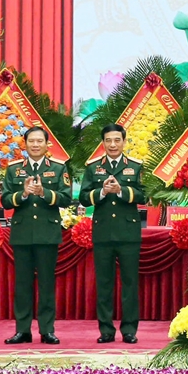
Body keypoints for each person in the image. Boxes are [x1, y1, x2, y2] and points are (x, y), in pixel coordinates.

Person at [1, 127, 72, 345]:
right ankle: (22, 330)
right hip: (22, 233)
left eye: (39, 141)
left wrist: (44, 193)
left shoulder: (58, 168)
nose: (35, 145)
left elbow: (66, 198)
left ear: (46, 144)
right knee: (22, 284)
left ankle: (47, 330)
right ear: (25, 144)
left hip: (47, 233)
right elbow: (5, 200)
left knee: (46, 284)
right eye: (31, 141)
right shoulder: (14, 169)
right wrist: (23, 194)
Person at [79, 124, 145, 344]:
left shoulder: (135, 166)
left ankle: (129, 330)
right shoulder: (93, 167)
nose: (113, 144)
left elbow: (144, 195)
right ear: (103, 143)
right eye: (108, 140)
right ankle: (106, 330)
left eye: (117, 140)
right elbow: (84, 198)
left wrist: (121, 191)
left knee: (130, 283)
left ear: (124, 142)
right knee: (104, 284)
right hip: (103, 232)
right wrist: (102, 192)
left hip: (128, 233)